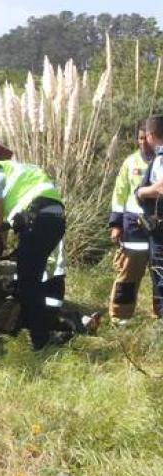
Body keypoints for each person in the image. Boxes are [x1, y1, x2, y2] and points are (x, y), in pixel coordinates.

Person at [0, 151, 66, 349]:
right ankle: (28, 329)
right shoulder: (23, 169)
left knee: (28, 284)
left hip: (38, 222)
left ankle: (41, 341)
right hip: (55, 220)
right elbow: (12, 217)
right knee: (32, 279)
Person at [108, 123, 155, 324]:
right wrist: (116, 224)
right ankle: (120, 317)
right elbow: (119, 195)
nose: (143, 142)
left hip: (158, 227)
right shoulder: (130, 162)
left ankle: (158, 316)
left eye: (147, 138)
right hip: (133, 226)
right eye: (140, 138)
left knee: (159, 274)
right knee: (128, 273)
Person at [135, 115, 163, 318]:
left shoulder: (160, 158)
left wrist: (142, 192)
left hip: (160, 229)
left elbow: (160, 188)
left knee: (160, 274)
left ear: (151, 135)